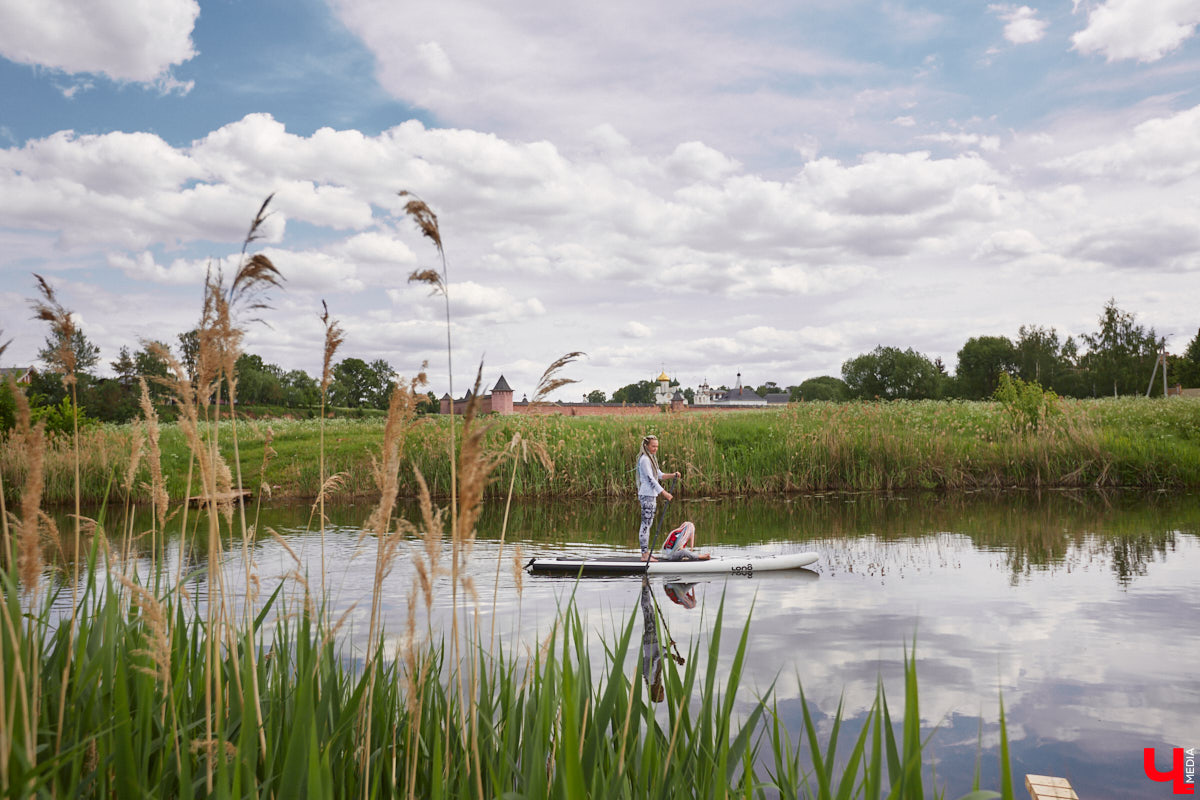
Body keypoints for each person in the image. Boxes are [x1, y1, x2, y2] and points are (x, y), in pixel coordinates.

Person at [636, 434, 679, 562]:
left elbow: (658, 475)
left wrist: (673, 475)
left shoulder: (652, 458)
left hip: (651, 495)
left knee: (648, 524)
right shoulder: (644, 459)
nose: (655, 448)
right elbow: (650, 479)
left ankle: (646, 553)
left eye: (657, 446)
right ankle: (644, 555)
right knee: (645, 524)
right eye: (653, 446)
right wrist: (664, 493)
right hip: (646, 495)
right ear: (647, 446)